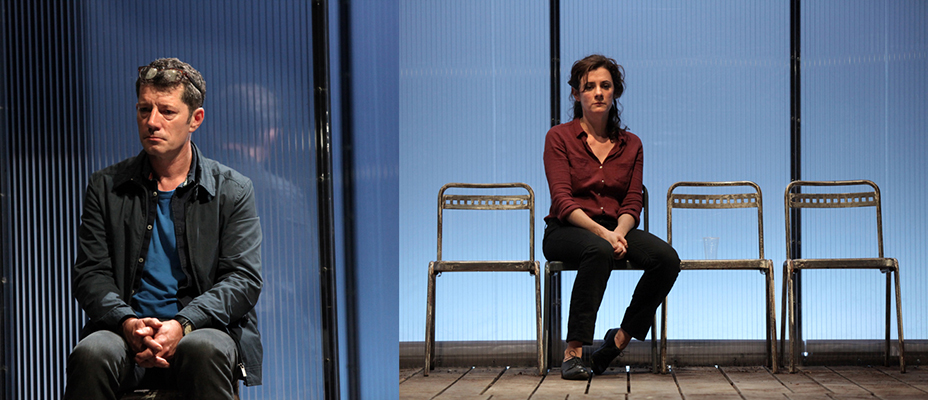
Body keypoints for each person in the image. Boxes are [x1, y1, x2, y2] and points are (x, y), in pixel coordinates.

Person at [64, 58, 263, 399]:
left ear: (195, 119)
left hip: (201, 329)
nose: (152, 122)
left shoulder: (233, 190)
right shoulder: (105, 186)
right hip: (126, 332)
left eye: (167, 112)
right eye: (145, 110)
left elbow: (243, 279)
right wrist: (128, 323)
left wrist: (183, 324)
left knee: (204, 349)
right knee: (93, 352)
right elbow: (90, 274)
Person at [542, 54, 680, 380]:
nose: (598, 93)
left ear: (615, 91)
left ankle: (617, 342)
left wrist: (617, 231)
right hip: (567, 228)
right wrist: (605, 235)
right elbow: (562, 200)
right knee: (598, 249)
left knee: (666, 259)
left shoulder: (632, 145)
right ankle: (573, 352)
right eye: (589, 87)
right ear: (576, 94)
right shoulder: (559, 138)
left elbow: (633, 201)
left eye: (605, 85)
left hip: (616, 228)